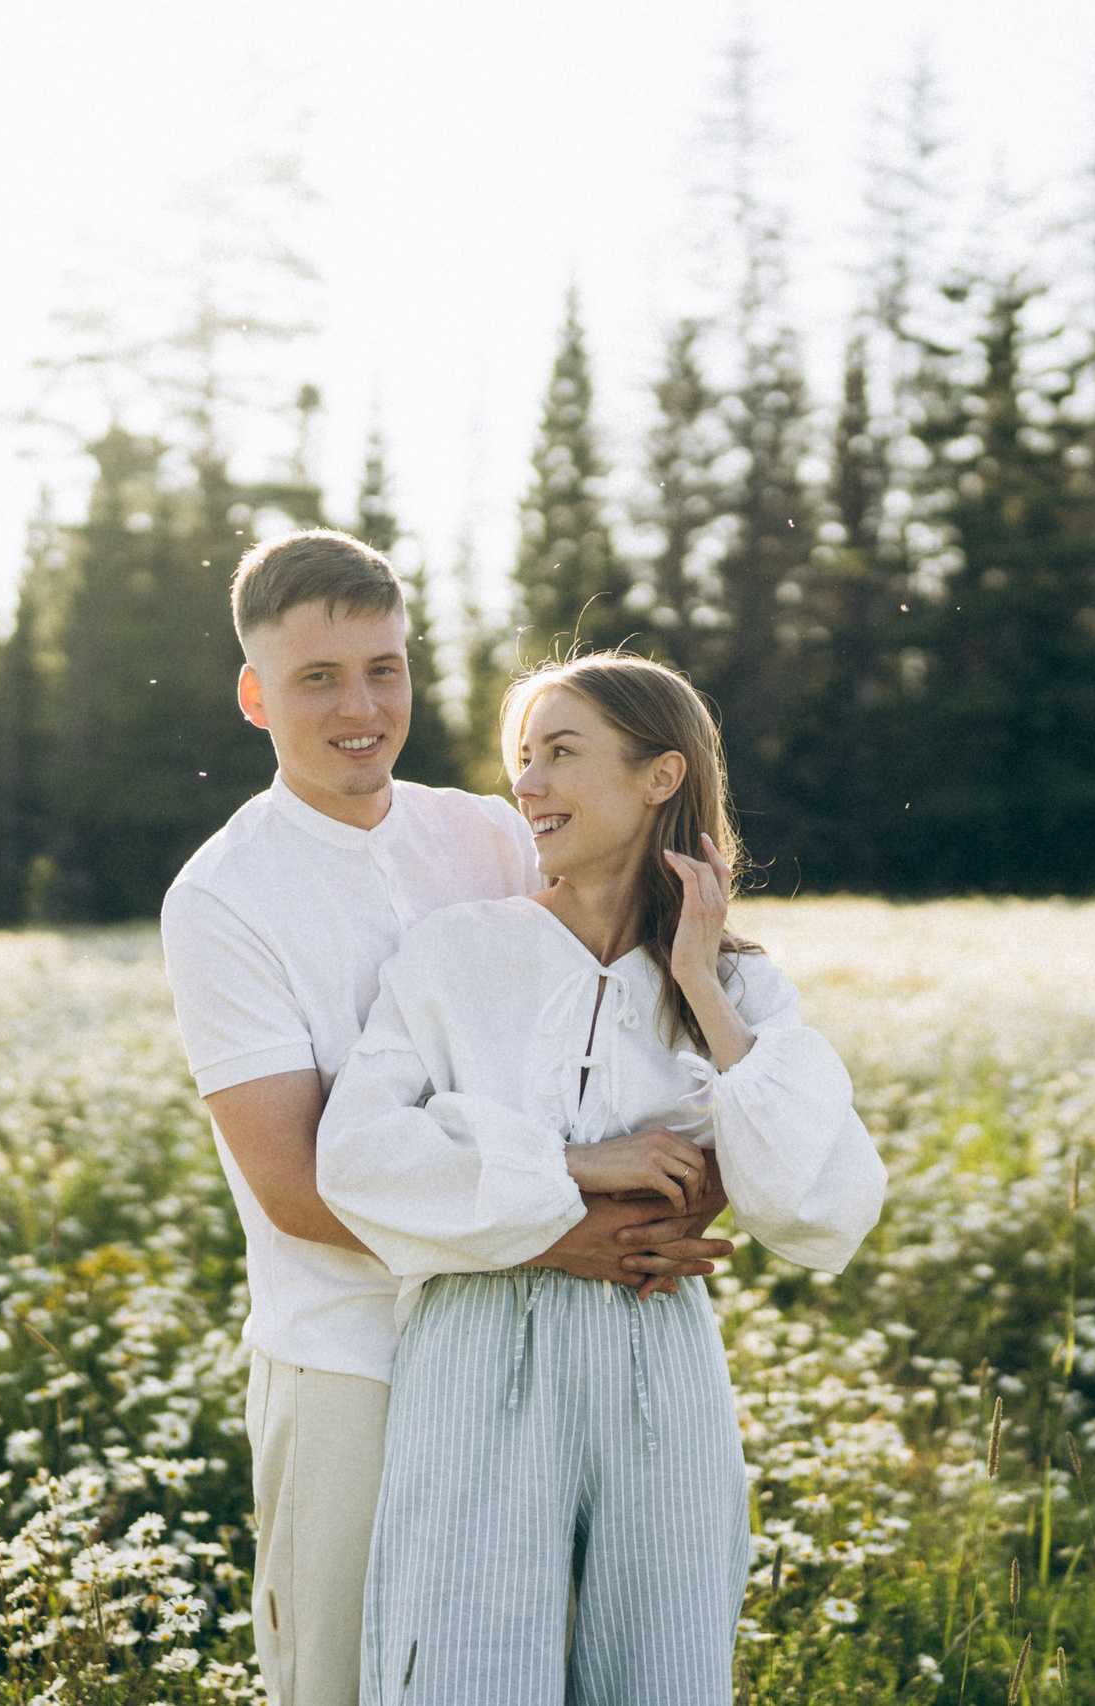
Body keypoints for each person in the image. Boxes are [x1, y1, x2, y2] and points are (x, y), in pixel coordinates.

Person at [159, 532, 736, 1706]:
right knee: (340, 1682)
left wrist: (696, 1172)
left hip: (530, 1354)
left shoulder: (487, 835)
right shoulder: (222, 896)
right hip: (352, 1361)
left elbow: (623, 1025)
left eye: (385, 667)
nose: (361, 706)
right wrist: (570, 1227)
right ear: (256, 694)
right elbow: (294, 1184)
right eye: (319, 677)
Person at [317, 651, 887, 1706]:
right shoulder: (455, 952)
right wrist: (572, 1165)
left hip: (655, 1351)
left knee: (661, 1670)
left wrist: (703, 987)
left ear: (659, 775)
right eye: (520, 758)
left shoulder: (742, 982)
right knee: (462, 1670)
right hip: (477, 1348)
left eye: (560, 753)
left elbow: (822, 1204)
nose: (526, 784)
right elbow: (355, 1157)